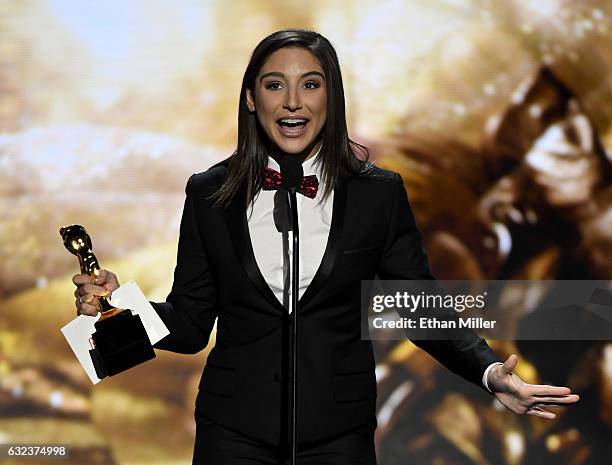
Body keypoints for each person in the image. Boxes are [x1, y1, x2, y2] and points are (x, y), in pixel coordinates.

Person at [72, 29, 580, 465]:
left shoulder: (377, 193)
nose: (293, 101)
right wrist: (115, 309)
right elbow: (190, 322)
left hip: (339, 436)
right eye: (276, 85)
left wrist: (490, 373)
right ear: (252, 98)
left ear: (330, 97)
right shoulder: (208, 193)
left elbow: (419, 309)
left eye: (310, 85)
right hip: (233, 434)